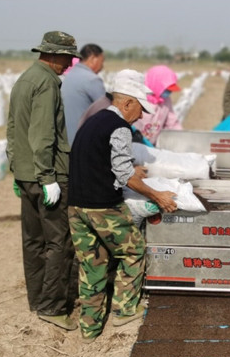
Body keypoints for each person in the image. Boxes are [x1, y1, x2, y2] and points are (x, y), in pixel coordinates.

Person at [68, 70, 178, 342]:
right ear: (128, 102)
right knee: (133, 250)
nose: (141, 116)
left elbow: (98, 161)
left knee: (92, 263)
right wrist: (157, 196)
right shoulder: (119, 127)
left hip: (76, 206)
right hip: (103, 207)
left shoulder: (92, 122)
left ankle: (90, 328)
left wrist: (129, 171)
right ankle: (124, 310)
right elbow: (125, 176)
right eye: (140, 109)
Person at [6, 30, 80, 331]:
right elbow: (42, 134)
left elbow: (13, 130)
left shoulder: (25, 79)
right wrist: (48, 177)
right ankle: (53, 306)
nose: (69, 64)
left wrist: (17, 169)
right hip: (47, 175)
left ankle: (37, 299)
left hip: (27, 175)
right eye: (67, 58)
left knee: (33, 240)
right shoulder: (47, 83)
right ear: (54, 55)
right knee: (59, 242)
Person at [61, 43, 106, 144]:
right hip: (83, 141)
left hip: (66, 139)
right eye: (101, 61)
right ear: (93, 58)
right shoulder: (92, 80)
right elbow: (107, 113)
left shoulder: (69, 76)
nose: (102, 66)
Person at [134, 64, 183, 145]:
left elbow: (172, 123)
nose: (169, 92)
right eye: (167, 90)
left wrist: (181, 137)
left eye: (170, 90)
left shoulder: (166, 101)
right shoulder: (138, 99)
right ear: (156, 85)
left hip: (151, 145)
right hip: (134, 144)